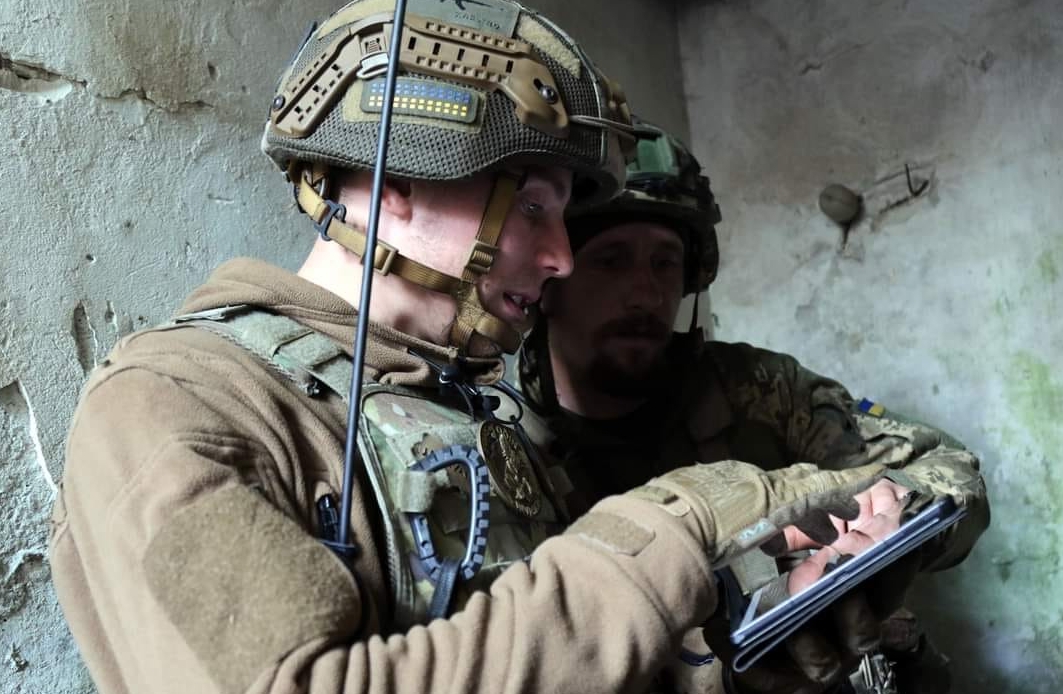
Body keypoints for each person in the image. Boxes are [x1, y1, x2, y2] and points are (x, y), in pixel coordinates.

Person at [47, 3, 913, 694]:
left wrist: (728, 648)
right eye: (533, 207)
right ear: (394, 179)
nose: (561, 257)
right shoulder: (170, 403)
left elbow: (532, 649)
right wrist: (673, 527)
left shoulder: (464, 407)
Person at [515, 122, 990, 693]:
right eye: (611, 261)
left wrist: (893, 520)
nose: (646, 293)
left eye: (665, 263)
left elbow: (947, 466)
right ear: (551, 278)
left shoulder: (755, 387)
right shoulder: (504, 442)